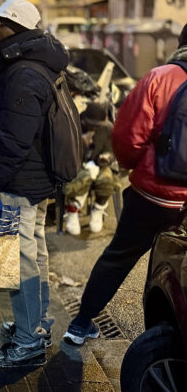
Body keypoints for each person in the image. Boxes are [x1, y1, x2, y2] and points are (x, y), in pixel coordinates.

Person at [63, 24, 187, 345]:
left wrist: (135, 166)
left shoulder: (160, 78)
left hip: (152, 195)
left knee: (118, 258)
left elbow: (127, 137)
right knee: (178, 273)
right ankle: (167, 342)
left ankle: (80, 325)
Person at [0, 0, 69, 367]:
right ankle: (36, 324)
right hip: (34, 178)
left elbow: (14, 142)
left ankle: (28, 340)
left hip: (20, 181)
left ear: (15, 29)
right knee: (34, 253)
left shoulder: (23, 73)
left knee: (22, 260)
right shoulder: (30, 62)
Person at [63, 101, 117, 235]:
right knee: (83, 177)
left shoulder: (107, 128)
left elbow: (111, 151)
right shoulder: (74, 125)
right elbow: (67, 155)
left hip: (99, 164)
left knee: (107, 180)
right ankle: (72, 210)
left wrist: (107, 157)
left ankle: (98, 209)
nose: (96, 128)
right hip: (77, 166)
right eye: (94, 125)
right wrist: (83, 143)